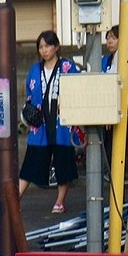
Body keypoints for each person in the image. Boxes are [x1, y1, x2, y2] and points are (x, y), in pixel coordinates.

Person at [18, 30, 79, 213]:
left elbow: (76, 90)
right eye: (41, 47)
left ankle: (60, 201)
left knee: (63, 162)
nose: (44, 50)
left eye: (48, 46)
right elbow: (30, 96)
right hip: (40, 123)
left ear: (56, 47)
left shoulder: (67, 66)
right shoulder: (34, 70)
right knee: (32, 160)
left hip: (62, 121)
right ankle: (15, 198)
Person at [101, 24, 128, 171]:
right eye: (108, 37)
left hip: (127, 112)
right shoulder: (104, 60)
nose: (110, 41)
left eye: (114, 37)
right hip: (108, 112)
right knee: (109, 145)